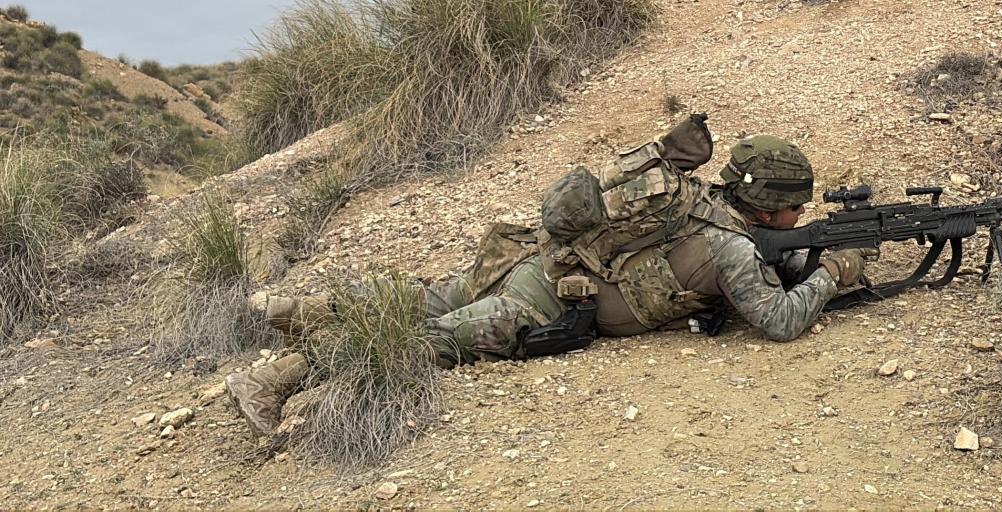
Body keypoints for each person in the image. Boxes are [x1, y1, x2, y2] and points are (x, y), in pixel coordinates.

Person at [225, 123, 868, 435]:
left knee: (424, 296)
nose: (801, 216)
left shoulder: (692, 197)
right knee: (431, 338)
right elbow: (781, 321)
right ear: (774, 203)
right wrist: (833, 272)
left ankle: (305, 306)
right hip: (542, 305)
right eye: (798, 206)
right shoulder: (732, 248)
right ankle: (280, 374)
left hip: (536, 258)